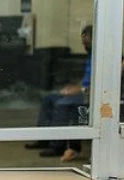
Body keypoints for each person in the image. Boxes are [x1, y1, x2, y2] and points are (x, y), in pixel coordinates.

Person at [26, 25, 93, 162]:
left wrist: (80, 90)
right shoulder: (91, 56)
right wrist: (75, 87)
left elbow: (99, 84)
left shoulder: (102, 58)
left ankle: (58, 145)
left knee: (61, 104)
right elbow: (87, 79)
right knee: (48, 98)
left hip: (89, 96)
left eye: (87, 40)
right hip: (82, 90)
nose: (84, 44)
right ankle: (44, 139)